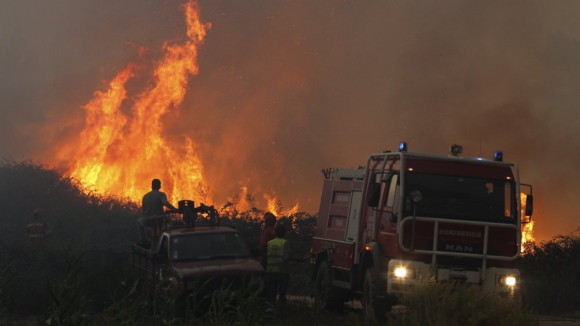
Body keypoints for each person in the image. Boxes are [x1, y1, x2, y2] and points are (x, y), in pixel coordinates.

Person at [137, 179, 177, 246]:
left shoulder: (145, 196)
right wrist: (174, 209)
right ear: (160, 186)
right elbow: (165, 202)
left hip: (146, 220)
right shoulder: (161, 195)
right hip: (157, 221)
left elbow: (143, 210)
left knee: (138, 221)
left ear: (151, 186)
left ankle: (142, 240)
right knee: (167, 226)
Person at [266, 224, 298, 304]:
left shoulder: (269, 243)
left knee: (272, 293)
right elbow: (286, 257)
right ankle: (281, 310)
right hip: (282, 272)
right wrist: (298, 259)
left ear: (275, 233)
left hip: (271, 271)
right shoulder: (285, 243)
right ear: (284, 233)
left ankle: (270, 310)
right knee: (282, 293)